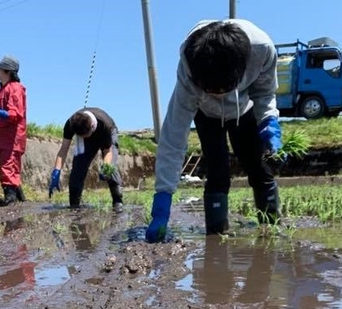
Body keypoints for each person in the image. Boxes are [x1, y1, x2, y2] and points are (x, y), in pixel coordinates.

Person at [145, 19, 283, 243]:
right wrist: (162, 200)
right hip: (206, 115)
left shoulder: (262, 50)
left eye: (223, 89)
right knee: (217, 170)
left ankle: (271, 226)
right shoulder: (189, 69)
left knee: (257, 165)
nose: (219, 95)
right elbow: (174, 136)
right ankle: (216, 235)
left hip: (245, 110)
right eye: (210, 90)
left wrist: (268, 120)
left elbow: (265, 92)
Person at [48, 107, 123, 212]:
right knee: (78, 168)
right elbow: (63, 149)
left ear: (92, 126)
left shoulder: (104, 124)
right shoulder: (71, 124)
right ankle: (74, 205)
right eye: (81, 136)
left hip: (107, 134)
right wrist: (56, 171)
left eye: (85, 136)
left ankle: (117, 200)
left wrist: (106, 166)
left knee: (110, 167)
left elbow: (108, 151)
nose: (84, 138)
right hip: (87, 134)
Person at [0, 55, 27, 206]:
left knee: (8, 168)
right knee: (11, 169)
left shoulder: (15, 89)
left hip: (11, 138)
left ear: (7, 71)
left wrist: (3, 114)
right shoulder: (0, 91)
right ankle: (21, 201)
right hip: (3, 138)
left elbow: (16, 114)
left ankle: (10, 203)